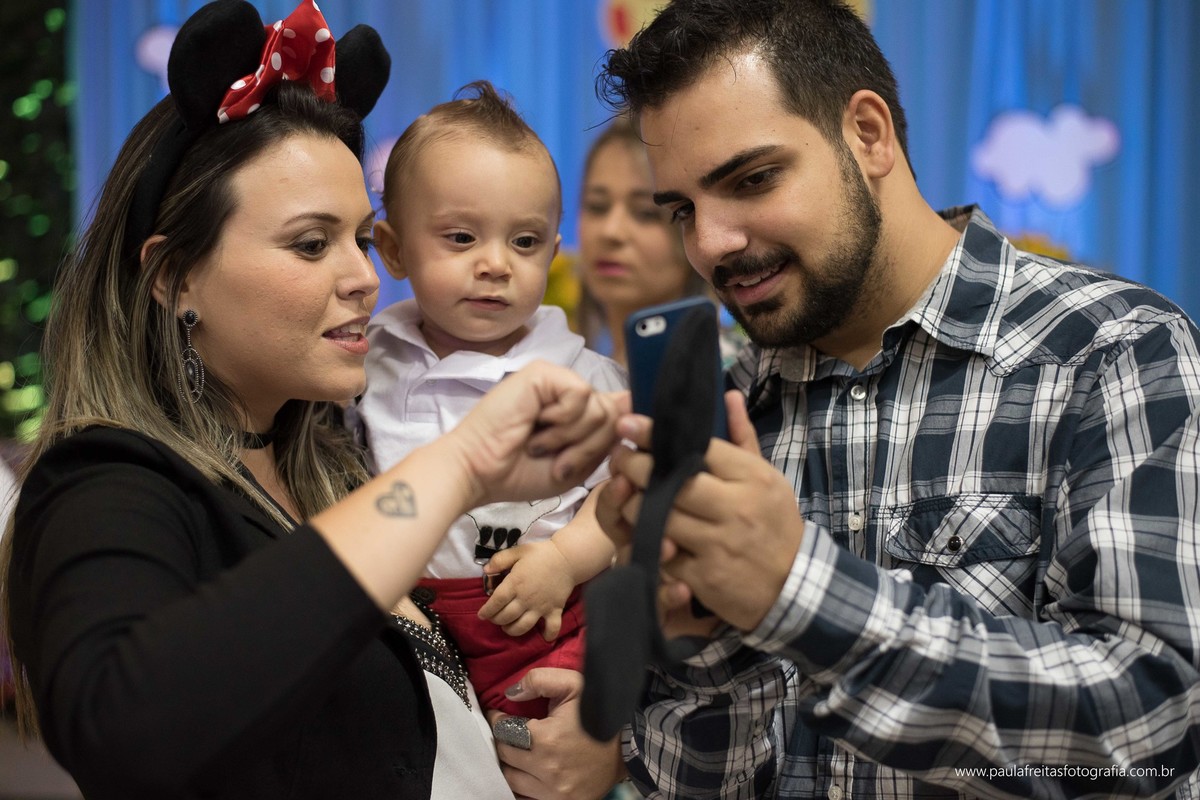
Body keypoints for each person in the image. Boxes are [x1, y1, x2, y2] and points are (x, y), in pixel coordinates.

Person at [0, 3, 626, 799]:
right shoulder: (107, 480)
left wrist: (572, 743)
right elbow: (122, 728)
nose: (366, 277)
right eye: (310, 243)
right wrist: (459, 467)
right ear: (173, 278)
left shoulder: (347, 453)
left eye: (363, 239)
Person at [593, 0, 1200, 798]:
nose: (710, 244)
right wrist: (705, 636)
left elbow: (1153, 724)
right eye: (682, 210)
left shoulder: (1108, 348)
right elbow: (689, 779)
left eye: (751, 179)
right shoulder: (736, 403)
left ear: (869, 135)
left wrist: (798, 590)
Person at [357, 80, 627, 721]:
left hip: (541, 622)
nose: (496, 264)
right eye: (460, 238)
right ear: (393, 249)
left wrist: (566, 557)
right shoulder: (367, 361)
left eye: (525, 242)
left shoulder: (583, 376)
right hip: (404, 622)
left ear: (555, 253)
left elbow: (627, 496)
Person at [574, 115, 719, 367]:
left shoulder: (727, 374)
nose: (611, 232)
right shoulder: (569, 373)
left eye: (645, 213)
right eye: (597, 207)